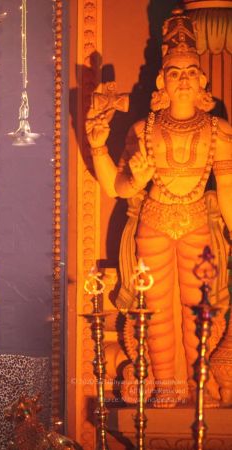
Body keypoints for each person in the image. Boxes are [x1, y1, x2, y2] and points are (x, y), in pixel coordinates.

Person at [85, 9, 232, 406]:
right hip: (153, 224)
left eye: (190, 72)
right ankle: (166, 385)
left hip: (198, 224)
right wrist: (98, 146)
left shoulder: (219, 131)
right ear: (161, 81)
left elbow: (228, 190)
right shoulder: (143, 130)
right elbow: (118, 187)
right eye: (174, 73)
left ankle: (200, 385)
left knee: (201, 307)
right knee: (155, 309)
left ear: (202, 81)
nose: (183, 80)